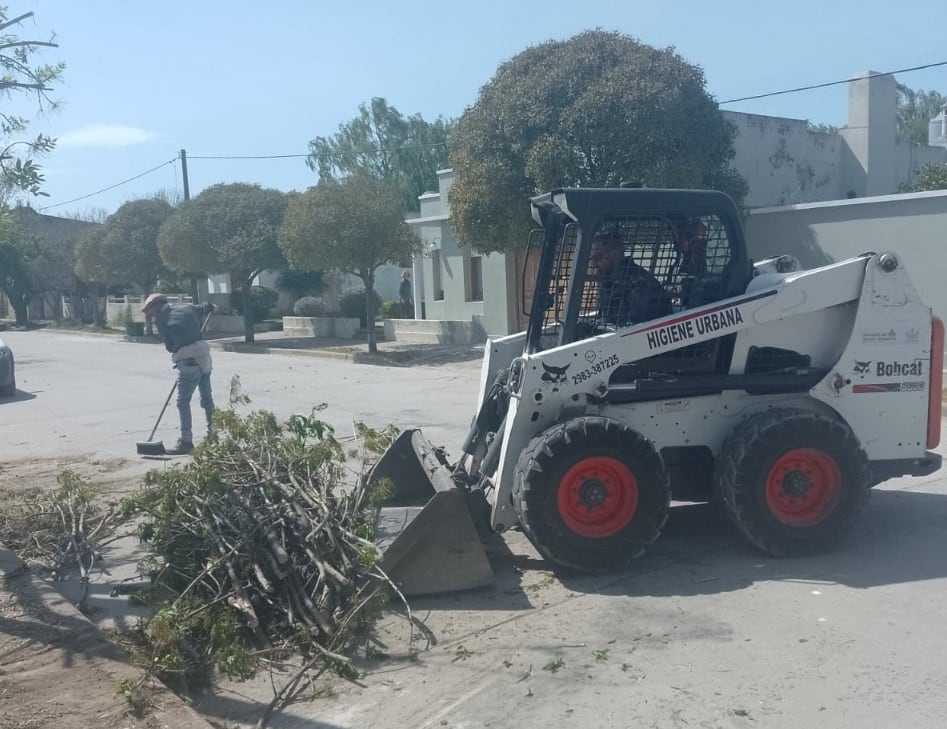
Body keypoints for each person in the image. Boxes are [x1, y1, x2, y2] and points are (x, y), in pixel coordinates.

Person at [141, 293, 216, 455]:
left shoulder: (162, 321)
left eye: (151, 310)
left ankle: (186, 441)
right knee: (207, 399)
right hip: (204, 357)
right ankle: (213, 434)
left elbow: (169, 346)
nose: (151, 314)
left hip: (188, 362)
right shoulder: (187, 308)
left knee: (183, 402)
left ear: (158, 306)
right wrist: (211, 308)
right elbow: (206, 307)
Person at [590, 231, 672, 327]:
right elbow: (605, 319)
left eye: (598, 258)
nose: (593, 264)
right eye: (592, 259)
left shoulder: (641, 285)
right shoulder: (608, 283)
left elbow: (637, 330)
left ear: (615, 255)